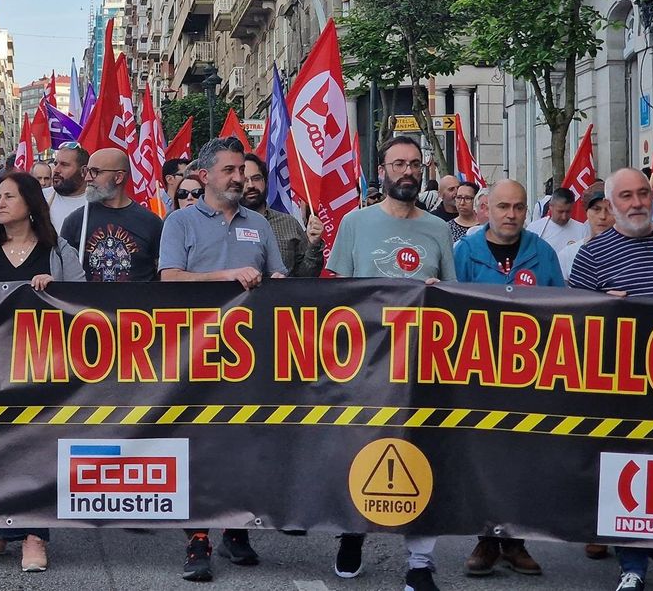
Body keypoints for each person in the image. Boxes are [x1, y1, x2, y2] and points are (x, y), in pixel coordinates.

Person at [325, 135, 453, 591]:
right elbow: (336, 294)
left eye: (415, 164)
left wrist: (436, 291)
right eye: (398, 163)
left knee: (424, 454)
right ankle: (352, 531)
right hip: (366, 364)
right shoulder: (355, 224)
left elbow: (455, 299)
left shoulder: (440, 229)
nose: (407, 171)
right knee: (358, 448)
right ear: (381, 171)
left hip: (422, 366)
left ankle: (420, 562)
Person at [160, 138, 286, 582]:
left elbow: (277, 278)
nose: (238, 178)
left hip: (249, 354)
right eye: (230, 170)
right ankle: (197, 539)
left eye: (242, 170)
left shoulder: (260, 224)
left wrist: (274, 280)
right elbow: (170, 278)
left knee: (243, 442)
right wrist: (226, 275)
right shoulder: (180, 222)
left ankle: (235, 529)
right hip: (195, 353)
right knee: (196, 444)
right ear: (205, 175)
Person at [569, 168, 653, 591]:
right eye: (626, 196)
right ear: (609, 205)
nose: (637, 202)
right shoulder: (593, 254)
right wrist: (600, 307)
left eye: (643, 193)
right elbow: (573, 318)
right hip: (617, 386)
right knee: (625, 472)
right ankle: (633, 565)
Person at [0, 171, 83, 573]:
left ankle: (34, 534)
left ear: (31, 204)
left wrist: (57, 289)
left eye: (9, 196)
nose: (0, 203)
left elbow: (82, 301)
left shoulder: (58, 250)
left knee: (36, 447)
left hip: (44, 364)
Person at [452, 180, 558, 577]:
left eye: (518, 207)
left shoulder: (542, 253)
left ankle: (514, 543)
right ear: (486, 209)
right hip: (477, 375)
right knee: (481, 458)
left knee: (521, 460)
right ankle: (485, 539)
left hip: (529, 379)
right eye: (503, 207)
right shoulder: (464, 252)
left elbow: (562, 310)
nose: (511, 214)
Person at [60, 148, 162, 281]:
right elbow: (61, 270)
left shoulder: (151, 222)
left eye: (95, 172)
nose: (87, 178)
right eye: (86, 170)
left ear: (118, 177)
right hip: (88, 301)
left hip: (138, 300)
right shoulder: (76, 221)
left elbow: (161, 272)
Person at [239, 153, 324, 276]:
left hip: (284, 295)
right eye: (244, 180)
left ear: (266, 181)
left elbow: (306, 277)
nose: (251, 185)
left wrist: (313, 244)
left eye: (256, 178)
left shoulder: (289, 224)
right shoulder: (226, 225)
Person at [557, 186, 614, 281]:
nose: (603, 216)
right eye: (596, 209)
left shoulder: (628, 252)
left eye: (608, 210)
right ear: (587, 212)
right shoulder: (567, 254)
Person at [526, 187, 589, 253]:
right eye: (560, 211)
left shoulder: (582, 230)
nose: (564, 217)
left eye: (568, 211)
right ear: (550, 206)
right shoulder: (535, 229)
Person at [41, 142, 89, 228]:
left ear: (83, 171)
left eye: (64, 165)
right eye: (56, 164)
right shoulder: (40, 198)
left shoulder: (95, 203)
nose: (56, 170)